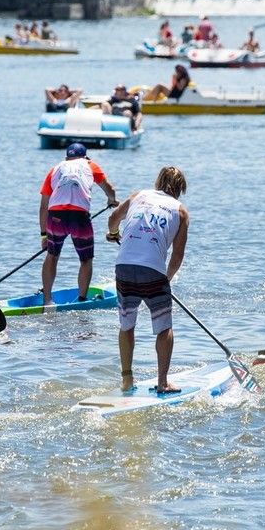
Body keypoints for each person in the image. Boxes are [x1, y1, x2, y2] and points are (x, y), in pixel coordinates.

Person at [107, 167, 190, 394]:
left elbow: (113, 219)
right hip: (153, 271)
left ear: (158, 181)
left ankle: (127, 379)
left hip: (123, 266)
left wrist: (113, 234)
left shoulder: (138, 196)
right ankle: (162, 382)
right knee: (164, 328)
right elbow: (178, 254)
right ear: (180, 189)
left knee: (127, 325)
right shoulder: (181, 211)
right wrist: (167, 279)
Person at [39, 143, 117, 307]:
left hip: (55, 218)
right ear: (85, 157)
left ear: (67, 158)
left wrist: (43, 235)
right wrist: (111, 200)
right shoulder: (90, 165)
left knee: (52, 256)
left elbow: (43, 205)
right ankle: (82, 300)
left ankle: (47, 300)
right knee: (86, 259)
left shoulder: (55, 169)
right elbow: (109, 188)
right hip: (79, 218)